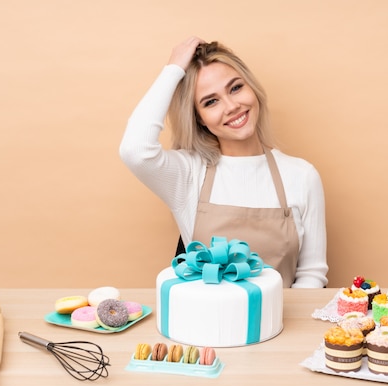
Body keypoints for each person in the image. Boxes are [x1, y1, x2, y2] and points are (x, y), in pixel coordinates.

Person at [120, 36, 328, 288]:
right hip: (202, 325)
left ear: (252, 88)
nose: (232, 106)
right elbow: (134, 149)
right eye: (211, 101)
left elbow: (311, 275)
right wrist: (173, 70)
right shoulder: (188, 174)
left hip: (280, 325)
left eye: (236, 88)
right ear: (199, 119)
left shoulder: (302, 175)